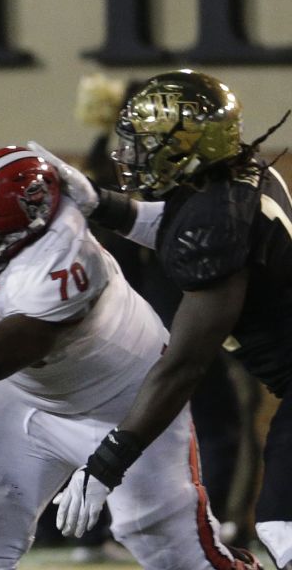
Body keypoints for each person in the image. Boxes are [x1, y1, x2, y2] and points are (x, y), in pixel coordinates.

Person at [0, 146, 260, 569]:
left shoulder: (64, 254)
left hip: (123, 401)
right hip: (23, 392)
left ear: (30, 233)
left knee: (181, 557)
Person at [31, 69, 292, 570]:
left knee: (283, 523)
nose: (131, 155)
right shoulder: (240, 174)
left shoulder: (215, 228)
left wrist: (108, 463)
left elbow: (182, 367)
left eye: (146, 143)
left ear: (189, 145)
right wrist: (98, 203)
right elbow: (174, 222)